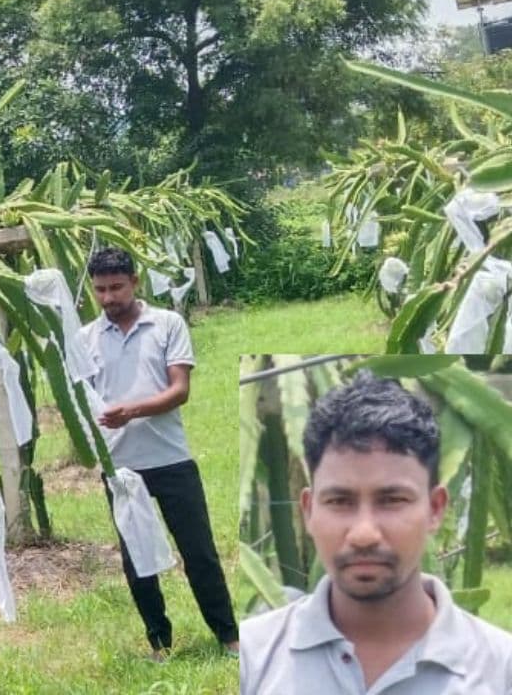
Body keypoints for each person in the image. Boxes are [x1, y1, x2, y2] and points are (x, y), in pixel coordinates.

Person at [240, 372, 512, 694]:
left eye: (392, 500)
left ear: (435, 509)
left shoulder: (501, 671)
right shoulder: (251, 659)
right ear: (309, 511)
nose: (364, 534)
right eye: (339, 501)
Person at [78, 247, 239, 660]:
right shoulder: (85, 339)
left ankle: (229, 637)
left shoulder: (167, 324)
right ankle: (159, 644)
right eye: (100, 290)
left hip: (171, 459)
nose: (109, 297)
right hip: (120, 468)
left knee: (199, 553)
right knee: (138, 561)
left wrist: (129, 411)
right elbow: (82, 399)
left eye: (116, 287)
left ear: (135, 282)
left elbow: (179, 390)